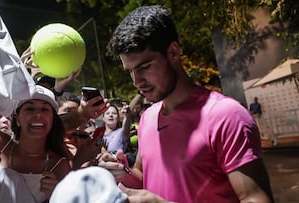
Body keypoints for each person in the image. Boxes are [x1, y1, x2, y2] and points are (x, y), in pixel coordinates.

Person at [99, 5, 274, 203]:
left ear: (173, 52)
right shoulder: (148, 118)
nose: (137, 81)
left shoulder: (226, 116)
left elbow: (256, 199)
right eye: (130, 71)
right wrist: (121, 171)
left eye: (145, 67)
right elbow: (143, 176)